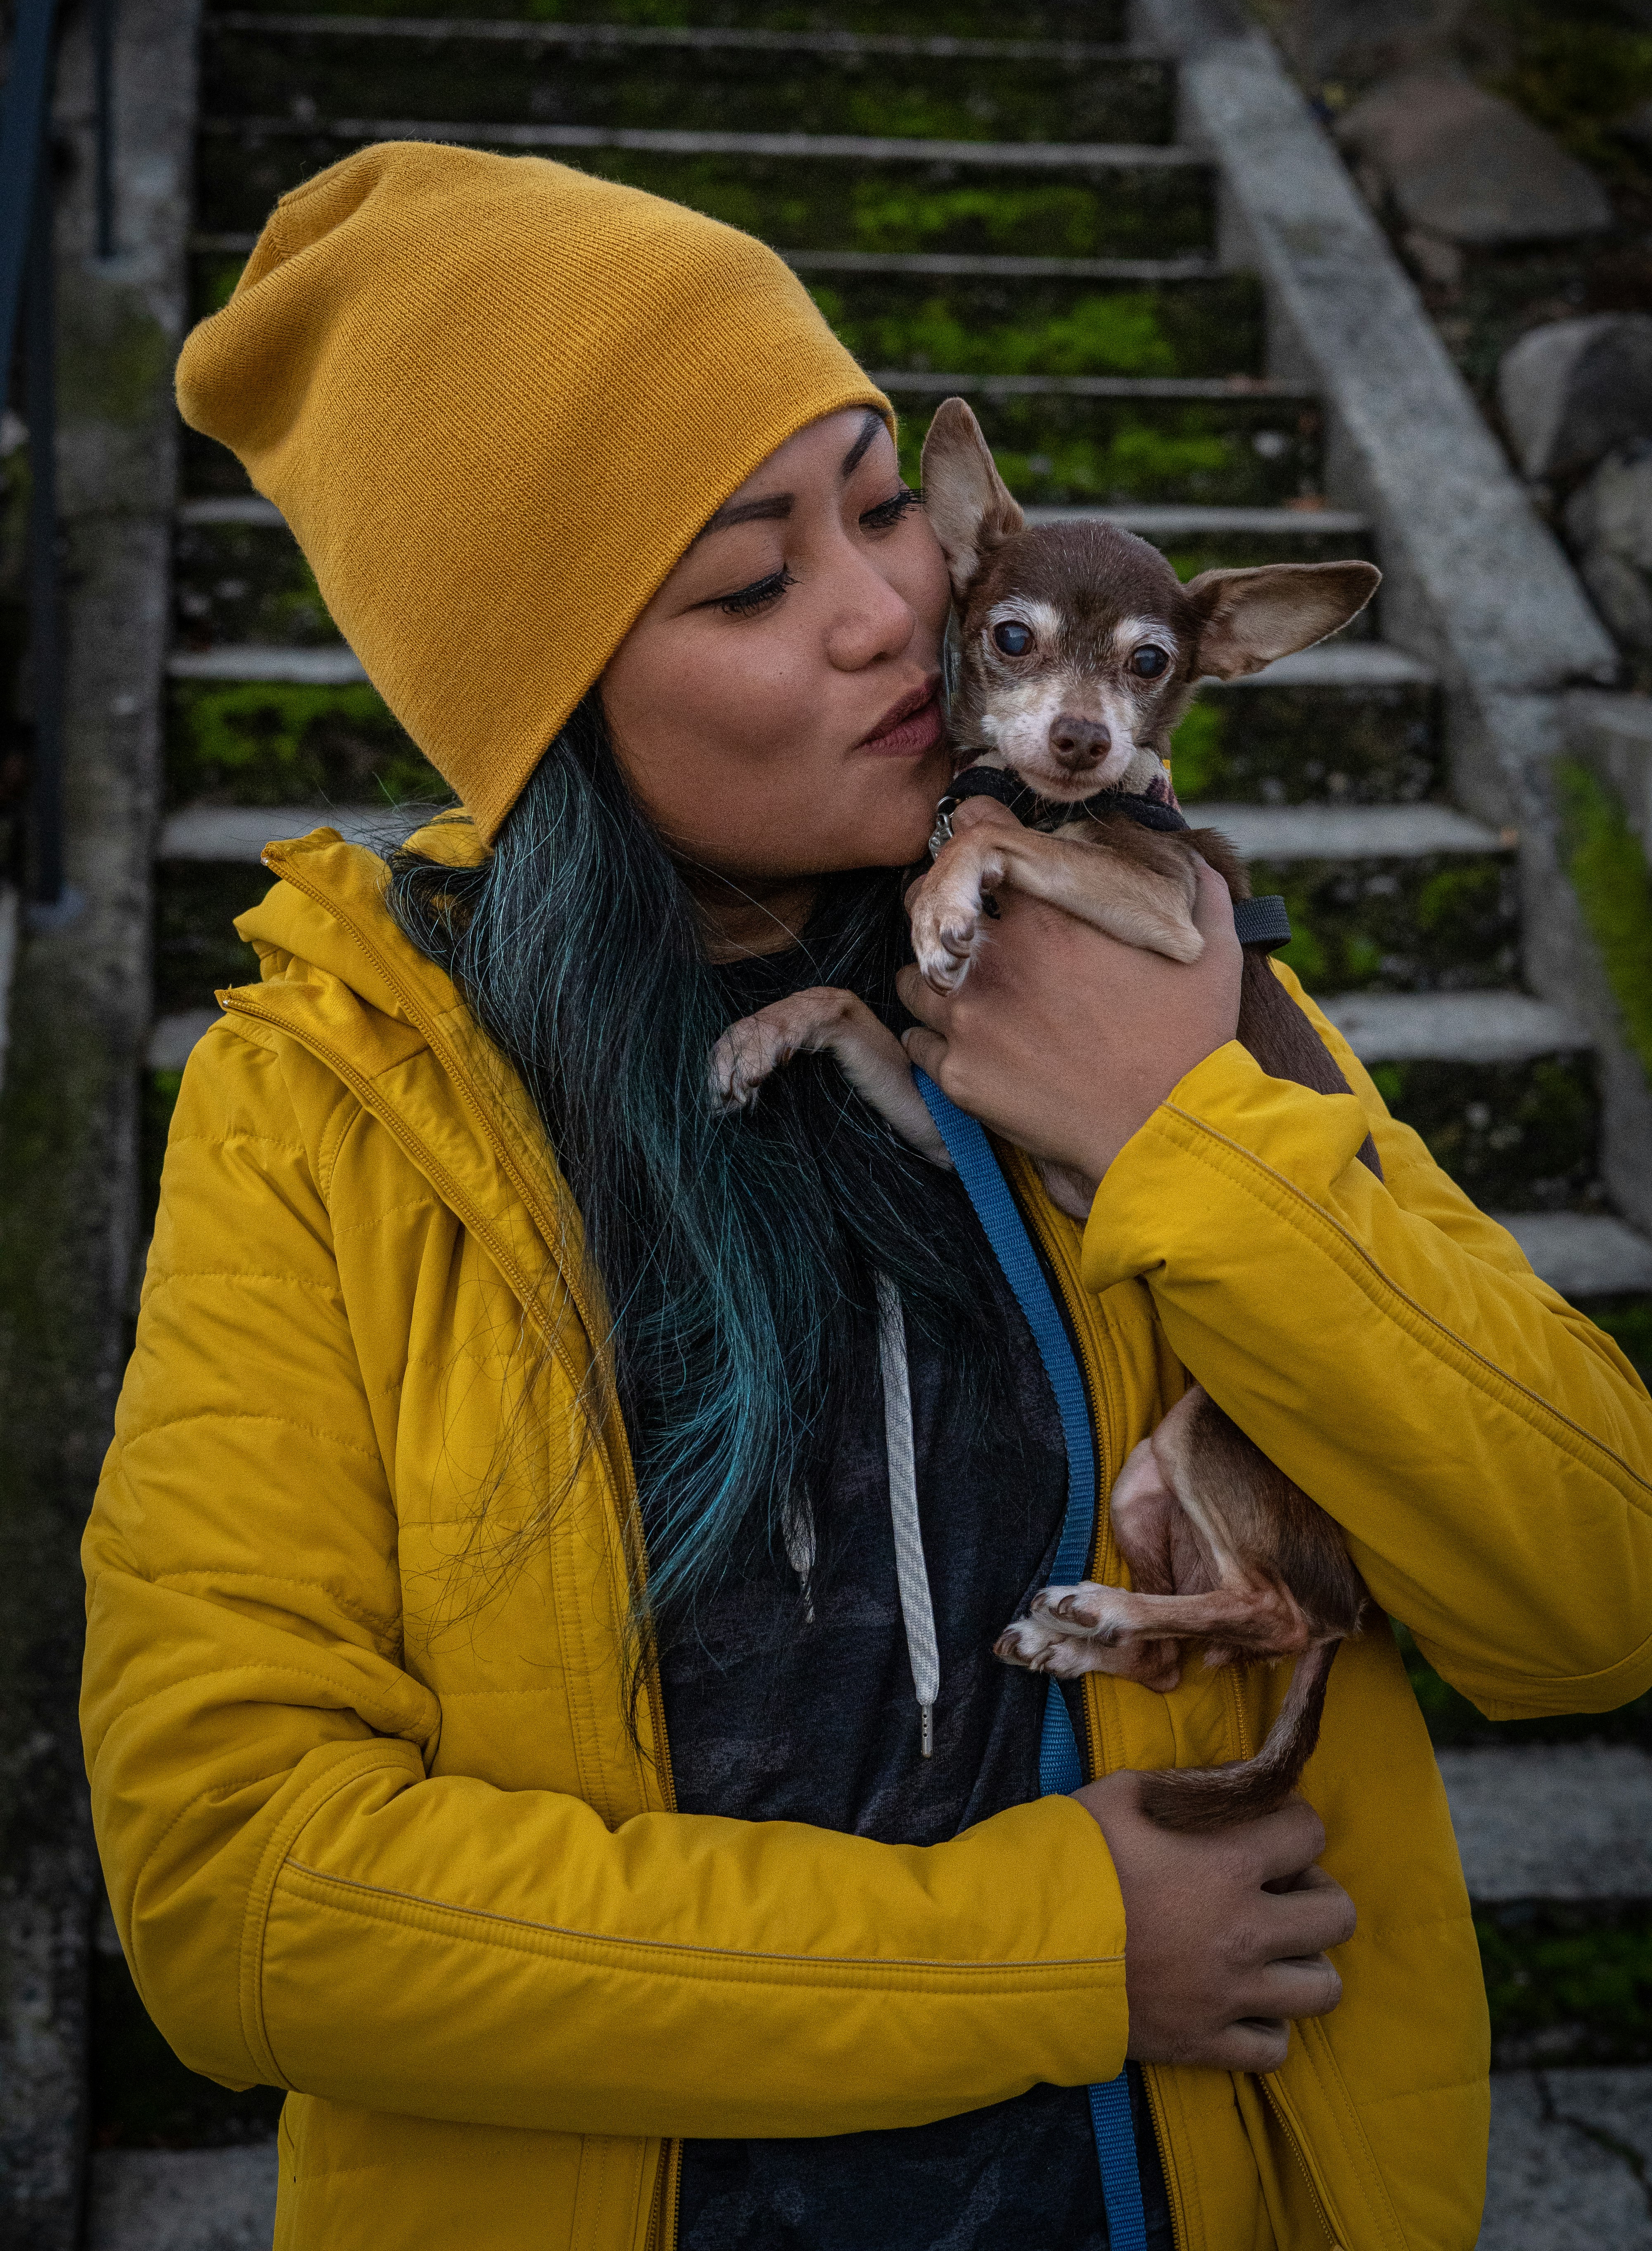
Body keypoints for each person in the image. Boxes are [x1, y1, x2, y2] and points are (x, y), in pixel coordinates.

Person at [82, 143, 1652, 2251]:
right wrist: (1034, 1954)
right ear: (540, 694)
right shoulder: (329, 1107)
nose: (889, 610)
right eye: (746, 581)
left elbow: (1590, 1597)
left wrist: (1187, 1132)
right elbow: (241, 1899)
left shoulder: (1131, 958)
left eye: (880, 494)